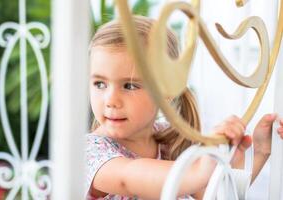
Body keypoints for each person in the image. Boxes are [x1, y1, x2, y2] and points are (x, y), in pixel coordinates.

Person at [84, 15, 283, 199]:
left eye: (129, 85)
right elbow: (126, 178)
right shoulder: (90, 151)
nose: (110, 99)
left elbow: (213, 192)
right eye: (99, 84)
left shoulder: (170, 140)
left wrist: (260, 152)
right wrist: (201, 168)